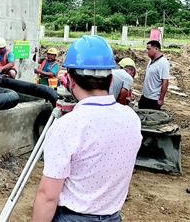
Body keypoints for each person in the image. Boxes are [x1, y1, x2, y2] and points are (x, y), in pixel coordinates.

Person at [32, 35, 142, 222]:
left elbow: (48, 196)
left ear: (70, 81)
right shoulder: (132, 119)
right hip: (112, 216)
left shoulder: (67, 126)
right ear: (110, 79)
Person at [139, 40, 170, 110]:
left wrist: (161, 99)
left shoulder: (163, 63)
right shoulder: (151, 60)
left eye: (149, 49)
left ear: (156, 49)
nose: (147, 51)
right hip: (144, 96)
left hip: (153, 99)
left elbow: (165, 82)